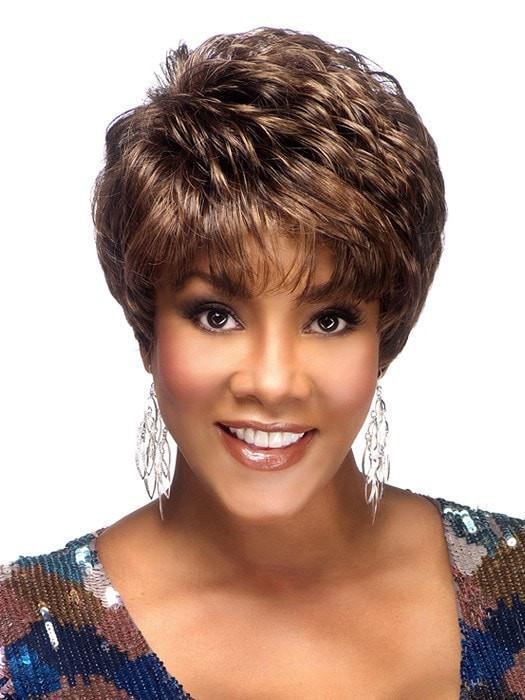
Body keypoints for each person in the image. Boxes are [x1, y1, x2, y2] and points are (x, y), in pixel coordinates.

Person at [1, 26, 524, 700]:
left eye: (328, 320)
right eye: (217, 315)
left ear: (385, 335)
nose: (273, 382)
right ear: (147, 330)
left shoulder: (515, 593)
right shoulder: (19, 646)